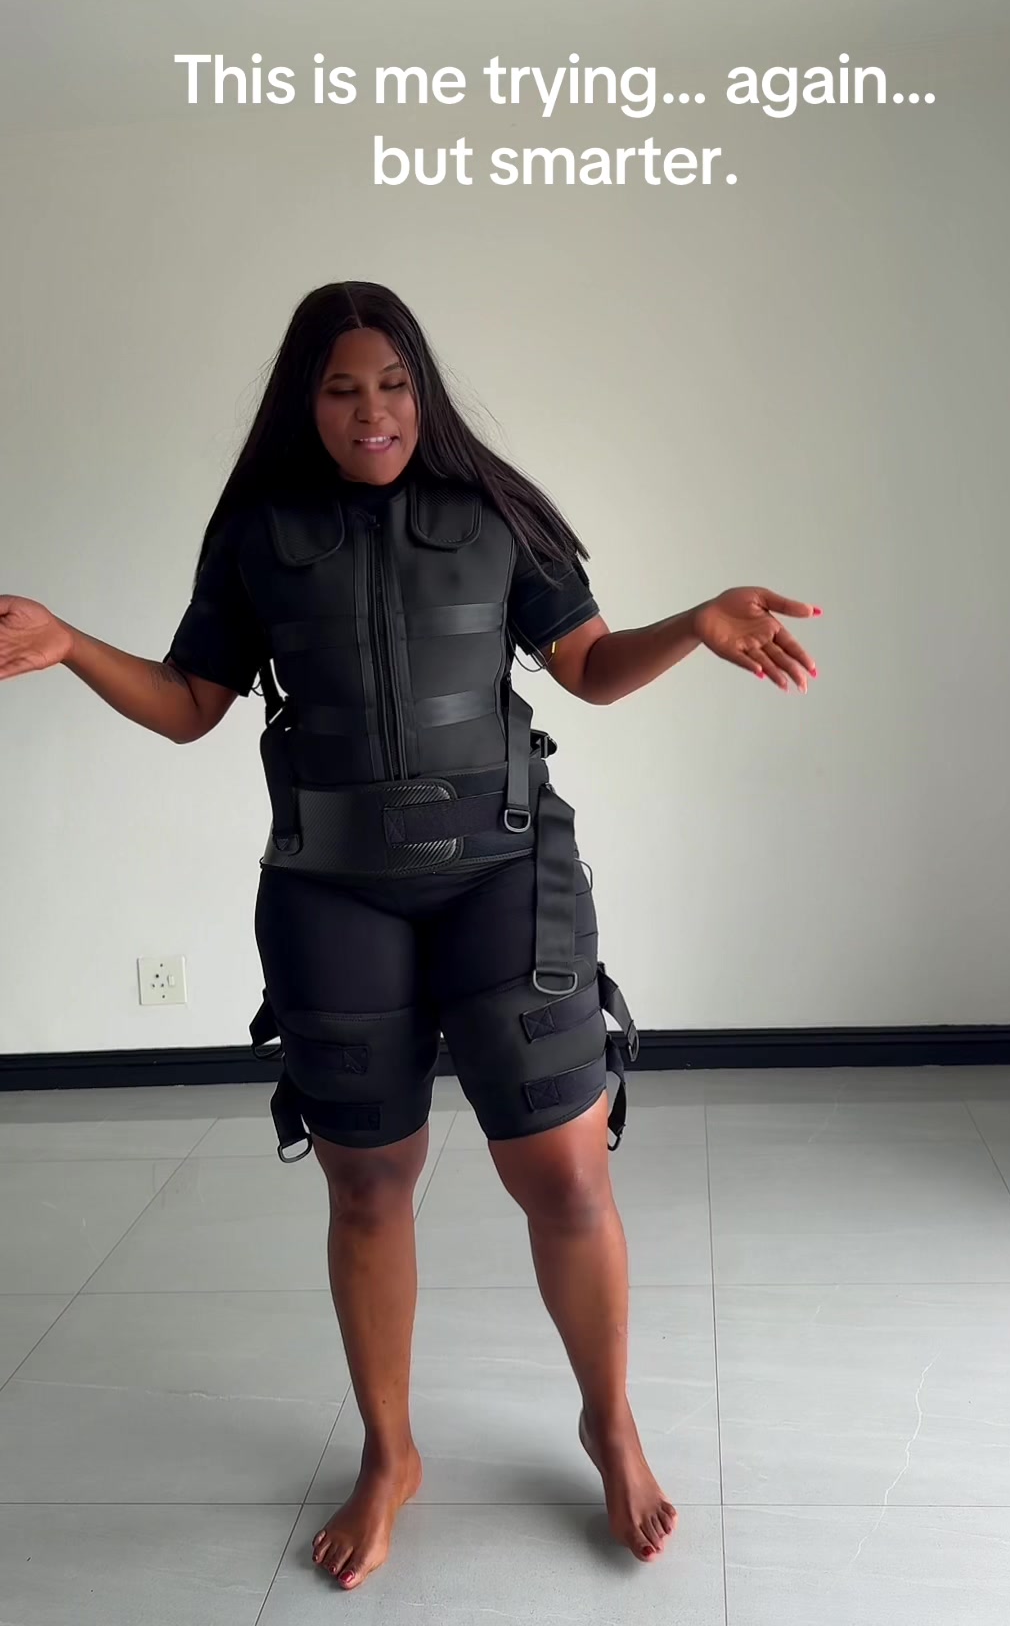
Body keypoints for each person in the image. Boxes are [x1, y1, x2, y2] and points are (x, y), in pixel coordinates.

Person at [0, 281, 820, 1591]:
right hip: (332, 890)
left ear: (422, 390)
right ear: (306, 403)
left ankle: (610, 1426)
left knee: (565, 1176)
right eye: (341, 389)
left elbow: (590, 670)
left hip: (505, 875)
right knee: (368, 1186)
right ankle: (390, 1455)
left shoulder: (499, 516)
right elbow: (191, 704)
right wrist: (64, 644)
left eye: (391, 384)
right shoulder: (258, 535)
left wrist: (694, 624)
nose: (370, 410)